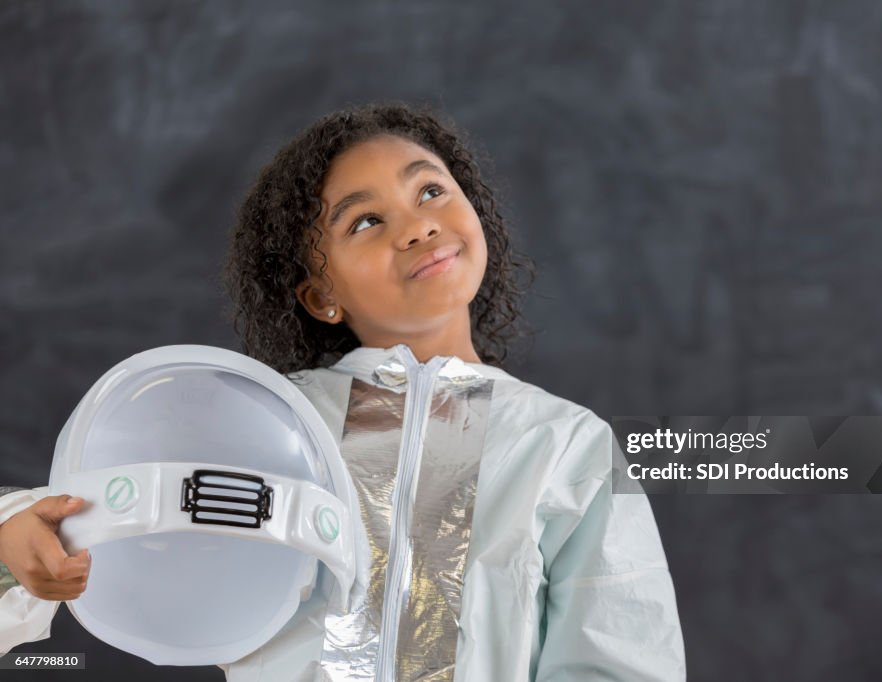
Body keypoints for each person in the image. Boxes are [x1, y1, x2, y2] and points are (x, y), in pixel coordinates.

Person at [0, 102, 686, 680]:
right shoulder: (264, 424)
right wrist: (17, 541)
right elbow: (87, 514)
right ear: (319, 294)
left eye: (430, 191)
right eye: (365, 221)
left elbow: (620, 652)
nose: (417, 225)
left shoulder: (565, 445)